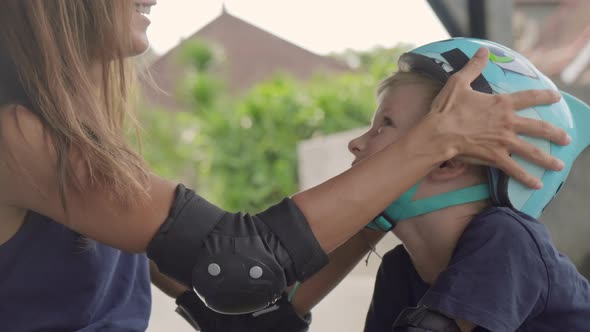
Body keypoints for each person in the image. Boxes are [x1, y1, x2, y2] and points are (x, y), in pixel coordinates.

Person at [0, 1, 571, 330]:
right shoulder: (16, 135)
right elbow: (238, 262)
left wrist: (386, 195)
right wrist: (426, 144)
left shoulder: (498, 245)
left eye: (388, 129)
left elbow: (244, 310)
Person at [155, 38, 590, 331]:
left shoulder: (507, 241)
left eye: (384, 124)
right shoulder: (402, 269)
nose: (356, 142)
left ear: (450, 158)